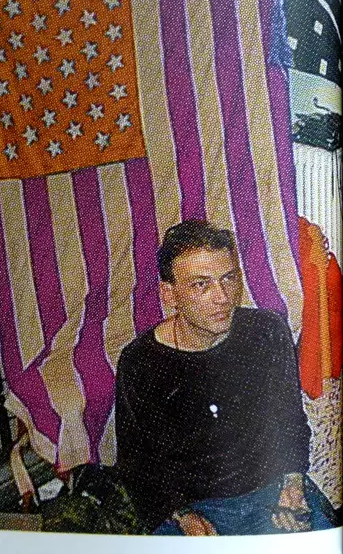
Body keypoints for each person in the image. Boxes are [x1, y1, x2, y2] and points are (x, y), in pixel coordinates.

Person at [115, 220, 335, 536]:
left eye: (228, 278)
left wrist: (293, 482)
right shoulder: (141, 361)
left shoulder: (267, 332)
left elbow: (290, 422)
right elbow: (138, 464)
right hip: (193, 507)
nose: (222, 297)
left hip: (273, 493)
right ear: (169, 294)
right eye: (201, 285)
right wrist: (182, 516)